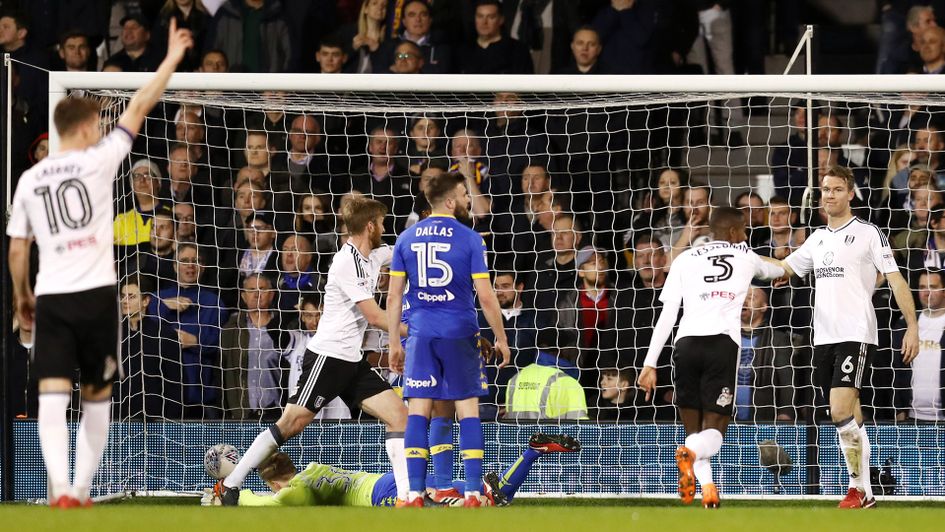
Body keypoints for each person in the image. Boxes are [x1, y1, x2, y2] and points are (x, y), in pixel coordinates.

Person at [6, 18, 193, 508]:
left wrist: (22, 296)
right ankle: (82, 489)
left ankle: (60, 489)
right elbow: (139, 105)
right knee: (96, 395)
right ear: (88, 127)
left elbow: (18, 248)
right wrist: (171, 59)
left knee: (51, 393)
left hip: (50, 295)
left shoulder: (30, 180)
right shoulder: (100, 159)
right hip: (95, 297)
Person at [215, 197, 411, 506]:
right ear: (370, 226)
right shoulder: (346, 262)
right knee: (291, 423)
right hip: (328, 358)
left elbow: (404, 248)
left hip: (352, 361)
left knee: (400, 417)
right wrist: (420, 331)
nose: (385, 228)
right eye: (382, 223)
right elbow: (375, 317)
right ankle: (230, 484)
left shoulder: (373, 256)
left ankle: (406, 497)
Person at [770, 165, 919, 509]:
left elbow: (895, 278)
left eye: (837, 189)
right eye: (826, 189)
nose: (830, 195)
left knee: (839, 410)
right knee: (851, 414)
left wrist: (912, 326)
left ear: (850, 194)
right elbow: (785, 267)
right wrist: (745, 260)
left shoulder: (868, 233)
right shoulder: (817, 238)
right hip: (823, 337)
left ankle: (856, 489)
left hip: (856, 333)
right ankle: (867, 491)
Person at [638, 207, 785, 509]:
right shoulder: (745, 256)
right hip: (721, 345)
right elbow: (778, 270)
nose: (745, 235)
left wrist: (650, 363)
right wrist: (784, 269)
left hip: (686, 345)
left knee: (693, 430)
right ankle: (690, 455)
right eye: (743, 230)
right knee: (715, 432)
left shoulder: (684, 259)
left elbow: (668, 315)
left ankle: (707, 488)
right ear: (733, 232)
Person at [387, 171, 511, 507]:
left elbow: (394, 297)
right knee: (467, 411)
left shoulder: (405, 238)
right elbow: (486, 296)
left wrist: (394, 342)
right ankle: (472, 492)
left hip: (421, 335)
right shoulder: (470, 239)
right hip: (460, 333)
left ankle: (414, 494)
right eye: (466, 194)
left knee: (418, 412)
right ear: (452, 201)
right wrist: (500, 337)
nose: (469, 199)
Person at [231, 433, 580, 507]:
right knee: (493, 497)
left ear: (275, 483)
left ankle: (450, 502)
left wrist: (232, 494)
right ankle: (531, 452)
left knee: (476, 506)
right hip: (391, 479)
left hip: (384, 495)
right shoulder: (314, 468)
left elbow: (266, 505)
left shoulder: (299, 491)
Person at [893, 269, 945, 422]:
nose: (927, 292)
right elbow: (896, 369)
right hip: (912, 418)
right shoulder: (905, 325)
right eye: (922, 287)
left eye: (933, 287)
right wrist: (899, 408)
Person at [504, 329, 588, 421]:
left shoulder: (515, 379)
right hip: (551, 431)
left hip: (518, 431)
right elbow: (579, 428)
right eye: (570, 346)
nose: (575, 350)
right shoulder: (568, 383)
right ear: (560, 350)